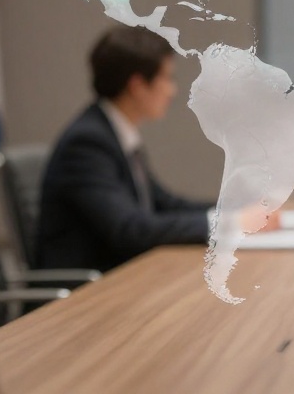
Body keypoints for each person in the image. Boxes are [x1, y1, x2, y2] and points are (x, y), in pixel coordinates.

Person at [36, 25, 276, 271]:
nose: (172, 90)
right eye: (167, 78)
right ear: (138, 85)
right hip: (84, 295)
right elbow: (129, 230)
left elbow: (163, 203)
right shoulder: (88, 144)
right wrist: (229, 223)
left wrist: (234, 210)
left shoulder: (115, 133)